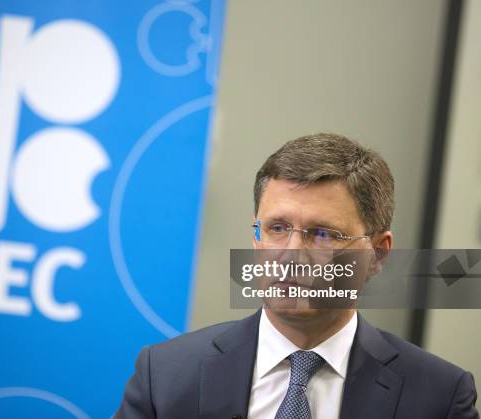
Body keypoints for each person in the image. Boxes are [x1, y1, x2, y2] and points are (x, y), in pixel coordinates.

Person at [115, 133, 479, 419]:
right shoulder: (165, 376)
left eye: (323, 234)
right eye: (276, 227)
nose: (290, 254)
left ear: (377, 254)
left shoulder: (439, 397)